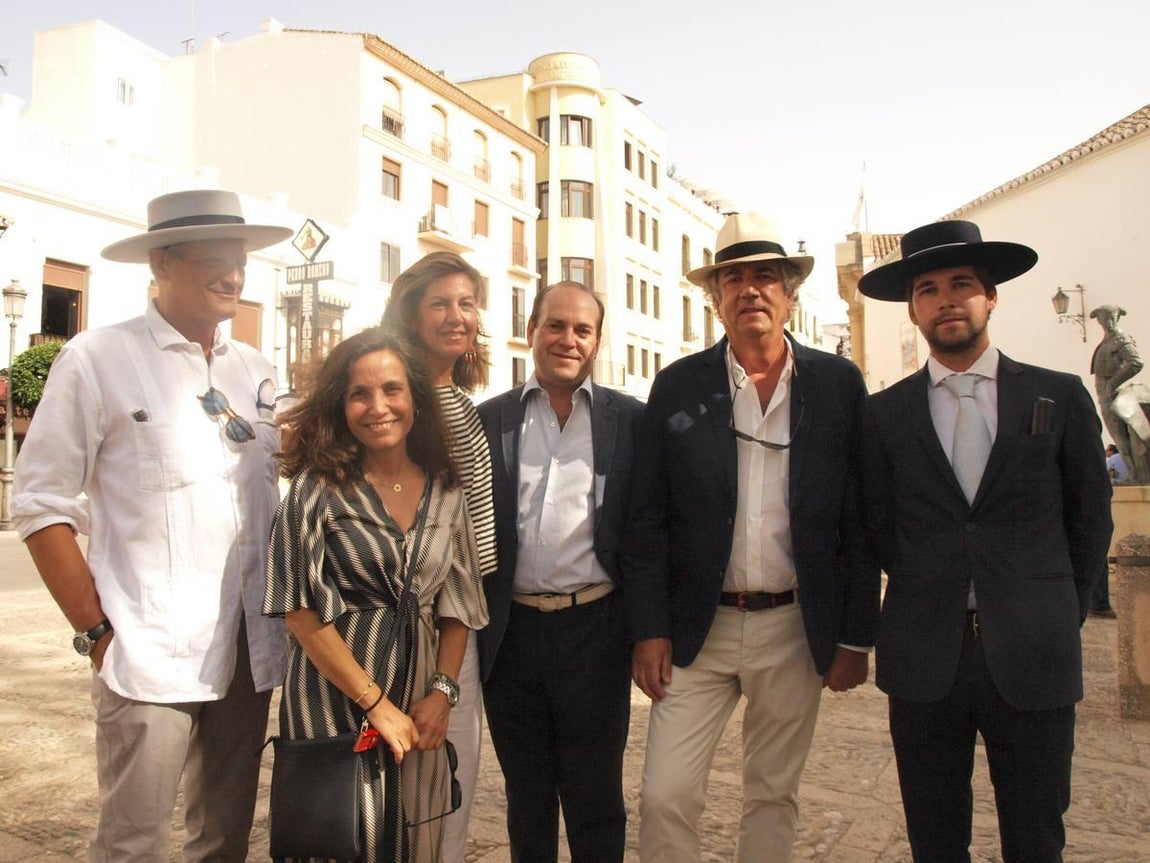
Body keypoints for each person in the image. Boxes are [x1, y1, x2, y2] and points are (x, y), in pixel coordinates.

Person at [12, 189, 291, 861]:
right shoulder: (96, 358)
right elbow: (40, 502)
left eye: (241, 259)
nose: (234, 274)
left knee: (224, 840)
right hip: (147, 654)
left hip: (248, 655)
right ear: (162, 262)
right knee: (133, 845)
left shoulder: (254, 369)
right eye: (216, 258)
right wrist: (96, 630)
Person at [624, 212, 880, 863]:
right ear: (715, 298)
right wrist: (649, 626)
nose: (750, 291)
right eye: (732, 278)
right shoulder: (678, 384)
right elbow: (647, 516)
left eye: (765, 276)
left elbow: (859, 518)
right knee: (665, 792)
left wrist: (853, 634)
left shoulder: (838, 385)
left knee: (773, 792)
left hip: (793, 626)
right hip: (696, 628)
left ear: (791, 293)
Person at [857, 219, 1113, 862]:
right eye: (928, 289)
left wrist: (1057, 611)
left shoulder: (1056, 397)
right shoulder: (884, 415)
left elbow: (1088, 520)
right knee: (936, 839)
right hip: (924, 658)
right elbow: (877, 527)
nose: (946, 300)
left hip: (1034, 655)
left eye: (961, 284)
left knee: (1035, 836)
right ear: (912, 307)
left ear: (990, 295)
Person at [263, 328, 489, 862]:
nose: (377, 406)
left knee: (413, 841)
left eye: (392, 389)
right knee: (340, 840)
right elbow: (299, 612)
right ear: (340, 407)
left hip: (420, 706)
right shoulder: (315, 490)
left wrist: (441, 694)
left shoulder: (446, 487)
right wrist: (377, 706)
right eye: (359, 394)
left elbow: (459, 605)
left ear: (414, 398)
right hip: (333, 702)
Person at [477, 281, 644, 861]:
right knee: (527, 798)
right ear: (532, 332)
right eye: (555, 326)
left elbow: (650, 535)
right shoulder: (485, 420)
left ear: (597, 341)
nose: (567, 340)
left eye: (582, 330)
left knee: (596, 797)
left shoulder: (631, 421)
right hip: (510, 637)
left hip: (596, 632)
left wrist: (649, 631)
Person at [380, 251, 496, 862]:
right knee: (406, 779)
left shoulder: (460, 400)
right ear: (411, 313)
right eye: (441, 304)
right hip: (416, 619)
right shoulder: (400, 396)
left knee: (452, 775)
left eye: (468, 304)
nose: (458, 317)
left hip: (463, 616)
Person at [1089, 304, 1150, 484]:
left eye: (1109, 319)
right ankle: (1134, 474)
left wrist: (1112, 384)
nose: (1106, 323)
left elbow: (1136, 363)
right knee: (1120, 438)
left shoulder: (1120, 339)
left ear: (1116, 319)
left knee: (1125, 439)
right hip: (1106, 396)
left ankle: (1137, 475)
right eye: (1102, 320)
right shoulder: (1108, 341)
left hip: (1116, 395)